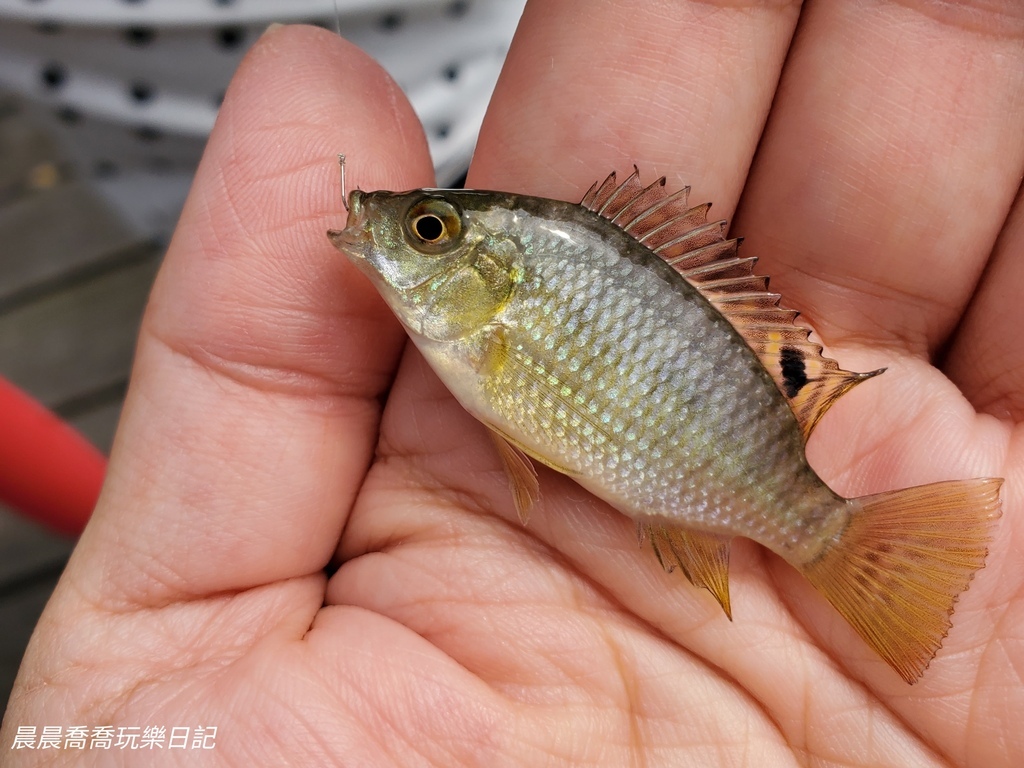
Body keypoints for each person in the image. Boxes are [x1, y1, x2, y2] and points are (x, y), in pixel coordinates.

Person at [3, 6, 1022, 765]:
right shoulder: (484, 313)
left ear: (482, 270)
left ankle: (839, 540)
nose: (404, 231)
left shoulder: (507, 312)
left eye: (431, 229)